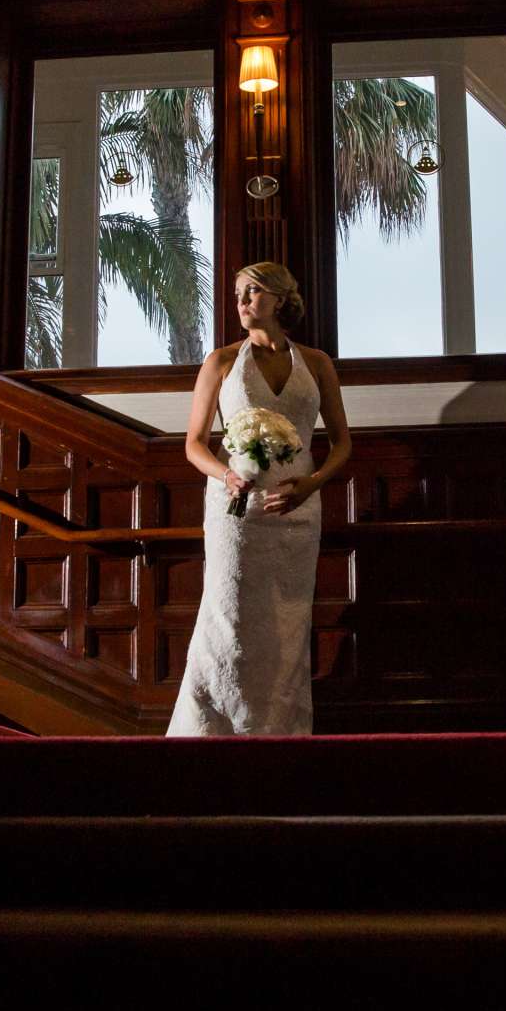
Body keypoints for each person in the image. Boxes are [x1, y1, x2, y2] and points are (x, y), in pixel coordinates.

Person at [166, 262, 352, 736]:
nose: (242, 301)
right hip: (238, 516)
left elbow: (342, 443)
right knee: (229, 621)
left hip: (298, 514)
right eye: (237, 293)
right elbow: (193, 444)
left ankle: (280, 734)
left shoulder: (316, 363)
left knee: (288, 627)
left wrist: (312, 484)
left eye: (253, 292)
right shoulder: (222, 361)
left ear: (280, 298)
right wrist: (225, 474)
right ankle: (213, 732)